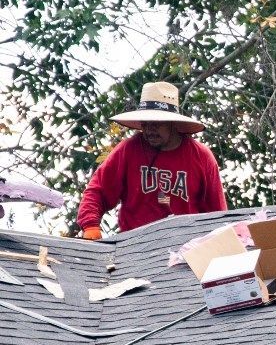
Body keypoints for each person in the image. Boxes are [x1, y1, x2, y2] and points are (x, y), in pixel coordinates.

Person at [77, 82, 227, 237]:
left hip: (185, 247)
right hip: (135, 246)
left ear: (173, 124)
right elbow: (98, 190)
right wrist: (90, 225)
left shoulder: (201, 157)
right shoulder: (129, 149)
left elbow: (217, 214)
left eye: (156, 124)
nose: (149, 130)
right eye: (145, 124)